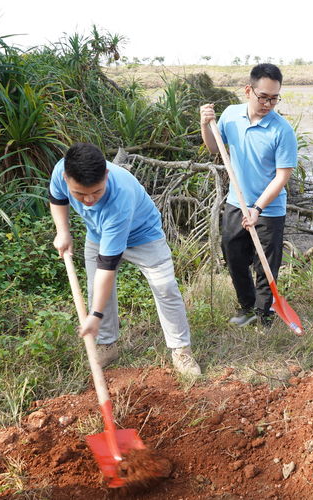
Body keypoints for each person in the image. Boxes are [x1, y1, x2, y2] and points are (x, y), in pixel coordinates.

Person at [49, 142, 201, 376]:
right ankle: (107, 345)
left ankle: (181, 350)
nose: (89, 200)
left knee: (165, 288)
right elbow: (57, 199)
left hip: (144, 235)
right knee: (96, 290)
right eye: (80, 194)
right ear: (66, 177)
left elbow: (107, 269)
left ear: (106, 175)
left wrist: (95, 316)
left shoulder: (120, 198)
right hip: (98, 234)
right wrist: (63, 231)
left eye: (96, 192)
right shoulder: (62, 172)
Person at [199, 63, 298, 327]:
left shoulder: (282, 130)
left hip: (269, 208)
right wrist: (205, 125)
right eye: (263, 96)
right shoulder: (231, 115)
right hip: (236, 201)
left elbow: (282, 176)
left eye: (274, 98)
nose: (268, 103)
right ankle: (247, 307)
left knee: (265, 265)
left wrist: (258, 208)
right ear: (248, 91)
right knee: (233, 254)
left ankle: (264, 316)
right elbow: (213, 149)